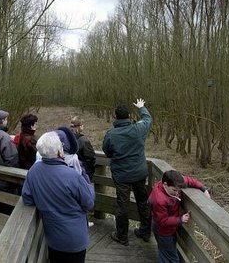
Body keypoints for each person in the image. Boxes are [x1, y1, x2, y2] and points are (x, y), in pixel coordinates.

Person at [22, 131, 95, 263]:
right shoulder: (72, 176)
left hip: (53, 238)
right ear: (59, 151)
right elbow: (89, 203)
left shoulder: (33, 171)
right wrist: (87, 182)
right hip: (74, 240)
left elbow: (27, 198)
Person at [102, 98, 152, 245]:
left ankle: (122, 236)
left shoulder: (111, 134)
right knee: (142, 202)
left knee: (122, 205)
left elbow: (107, 152)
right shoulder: (138, 129)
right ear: (129, 116)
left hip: (122, 176)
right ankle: (145, 231)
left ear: (115, 117)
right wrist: (142, 107)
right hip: (139, 174)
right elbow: (148, 119)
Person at [149, 170, 210, 263]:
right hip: (163, 231)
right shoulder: (159, 200)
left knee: (164, 253)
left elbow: (189, 180)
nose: (177, 193)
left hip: (167, 228)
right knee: (173, 259)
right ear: (165, 184)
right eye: (174, 190)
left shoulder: (175, 182)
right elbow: (163, 221)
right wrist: (180, 219)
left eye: (179, 190)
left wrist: (203, 188)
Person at [70, 116, 96, 181]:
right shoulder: (84, 141)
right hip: (82, 173)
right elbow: (91, 158)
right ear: (80, 127)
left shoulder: (67, 138)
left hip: (70, 171)